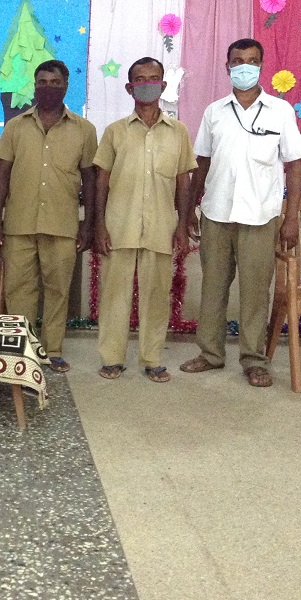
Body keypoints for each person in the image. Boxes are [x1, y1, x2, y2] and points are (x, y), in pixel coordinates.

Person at [183, 38, 301, 387]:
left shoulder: (280, 111)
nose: (244, 67)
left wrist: (290, 218)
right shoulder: (214, 112)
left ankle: (254, 360)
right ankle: (210, 353)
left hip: (260, 216)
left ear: (261, 66)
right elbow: (201, 163)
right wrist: (191, 209)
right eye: (237, 60)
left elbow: (295, 166)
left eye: (252, 61)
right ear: (227, 67)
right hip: (217, 214)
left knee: (255, 292)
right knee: (213, 288)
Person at [92, 57, 197, 383]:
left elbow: (183, 183)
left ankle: (152, 359)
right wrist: (98, 224)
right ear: (129, 87)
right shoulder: (115, 132)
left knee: (156, 296)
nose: (147, 84)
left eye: (153, 78)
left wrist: (182, 226)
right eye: (140, 79)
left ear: (163, 86)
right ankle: (112, 358)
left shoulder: (178, 132)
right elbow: (101, 181)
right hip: (118, 225)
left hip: (161, 227)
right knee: (114, 295)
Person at [0, 59, 97, 373]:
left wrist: (89, 224)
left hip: (62, 223)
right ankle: (23, 349)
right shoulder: (15, 126)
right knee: (19, 290)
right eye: (42, 83)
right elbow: (2, 176)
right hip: (19, 223)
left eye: (55, 83)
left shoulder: (84, 130)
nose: (48, 88)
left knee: (58, 290)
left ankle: (52, 350)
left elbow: (90, 180)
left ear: (66, 86)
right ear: (34, 87)